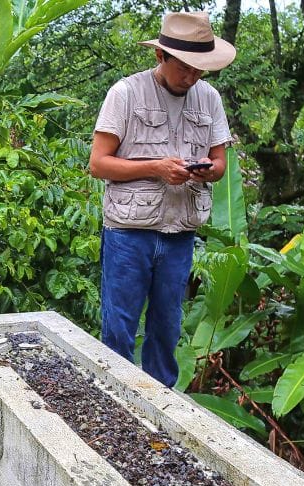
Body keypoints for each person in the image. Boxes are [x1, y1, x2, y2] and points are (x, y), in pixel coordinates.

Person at [88, 11, 236, 388]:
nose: (192, 76)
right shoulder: (125, 93)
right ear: (160, 56)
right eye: (184, 67)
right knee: (119, 328)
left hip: (180, 234)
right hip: (128, 233)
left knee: (168, 328)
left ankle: (162, 406)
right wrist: (156, 168)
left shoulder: (209, 98)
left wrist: (207, 171)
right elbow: (98, 163)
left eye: (199, 69)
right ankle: (116, 402)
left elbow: (220, 163)